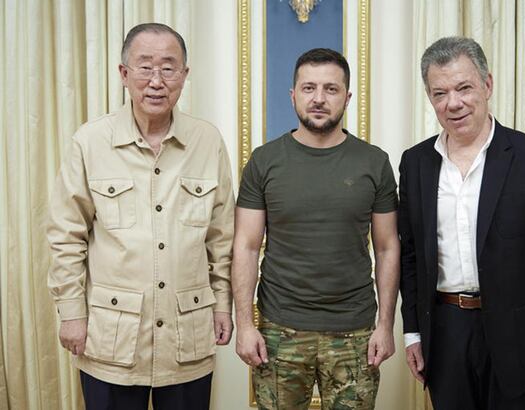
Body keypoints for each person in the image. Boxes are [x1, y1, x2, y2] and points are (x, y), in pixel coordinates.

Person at [46, 23, 234, 409]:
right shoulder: (90, 141)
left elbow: (222, 237)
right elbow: (66, 235)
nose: (156, 81)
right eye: (145, 67)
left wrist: (221, 304)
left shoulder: (207, 141)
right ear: (124, 73)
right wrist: (71, 312)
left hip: (187, 336)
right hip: (111, 339)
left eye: (168, 68)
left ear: (184, 75)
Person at [398, 36, 525, 409]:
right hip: (445, 332)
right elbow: (411, 256)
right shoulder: (415, 162)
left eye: (464, 88)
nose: (453, 103)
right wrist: (413, 333)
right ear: (430, 98)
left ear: (487, 85)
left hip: (519, 335)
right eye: (440, 93)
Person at [232, 48, 400, 410]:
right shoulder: (264, 161)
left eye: (331, 89)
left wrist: (385, 325)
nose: (319, 98)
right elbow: (245, 245)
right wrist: (244, 325)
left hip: (354, 332)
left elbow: (387, 248)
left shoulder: (374, 163)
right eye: (309, 88)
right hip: (279, 331)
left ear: (347, 97)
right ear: (293, 95)